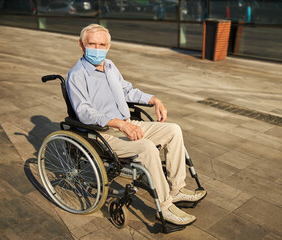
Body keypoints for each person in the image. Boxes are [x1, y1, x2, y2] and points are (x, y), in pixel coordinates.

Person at [66, 24, 206, 226]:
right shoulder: (77, 75)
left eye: (102, 44)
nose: (97, 49)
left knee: (173, 130)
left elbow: (128, 91)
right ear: (81, 45)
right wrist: (120, 125)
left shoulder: (110, 66)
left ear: (109, 46)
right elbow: (85, 112)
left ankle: (176, 189)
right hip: (102, 133)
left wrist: (154, 100)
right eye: (92, 44)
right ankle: (165, 207)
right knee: (147, 147)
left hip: (126, 122)